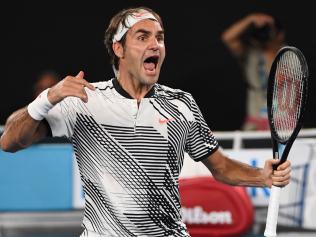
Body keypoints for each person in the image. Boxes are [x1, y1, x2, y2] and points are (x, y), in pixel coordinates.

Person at [0, 7, 291, 236]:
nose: (156, 44)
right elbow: (10, 141)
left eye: (160, 37)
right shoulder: (84, 101)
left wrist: (261, 176)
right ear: (119, 49)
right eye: (143, 37)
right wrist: (47, 98)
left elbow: (221, 167)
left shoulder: (182, 104)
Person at [221, 13, 286, 131]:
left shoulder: (290, 55)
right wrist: (250, 19)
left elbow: (282, 83)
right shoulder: (251, 54)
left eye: (267, 31)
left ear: (280, 34)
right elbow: (228, 38)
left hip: (283, 126)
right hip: (254, 125)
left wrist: (270, 49)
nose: (263, 35)